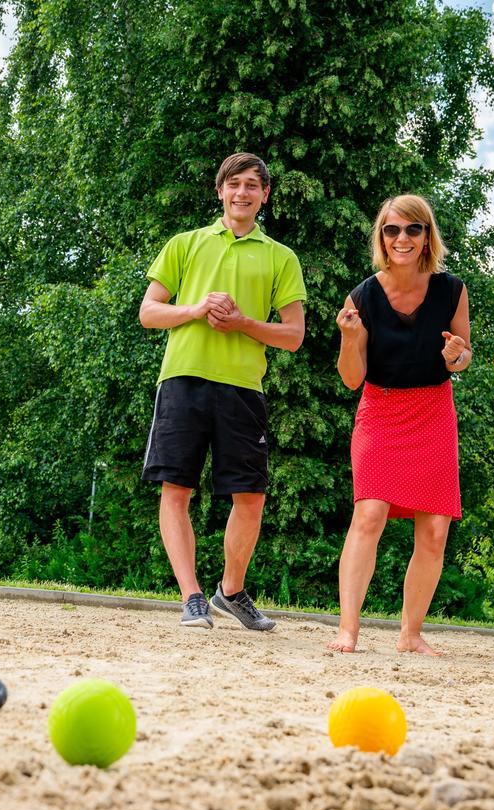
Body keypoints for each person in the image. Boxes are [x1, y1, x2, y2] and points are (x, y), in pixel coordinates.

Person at [139, 152, 307, 630]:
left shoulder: (280, 257)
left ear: (265, 196)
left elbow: (293, 335)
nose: (243, 193)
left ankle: (230, 591)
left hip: (242, 388)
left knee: (250, 497)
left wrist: (243, 323)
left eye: (253, 185)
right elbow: (149, 312)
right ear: (220, 191)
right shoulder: (185, 244)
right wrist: (195, 310)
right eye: (234, 184)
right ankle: (191, 597)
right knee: (177, 490)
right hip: (183, 378)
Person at [328, 194, 470, 655]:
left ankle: (411, 635)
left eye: (413, 229)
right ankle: (348, 631)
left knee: (433, 530)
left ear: (427, 235)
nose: (402, 238)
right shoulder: (363, 296)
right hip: (381, 411)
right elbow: (351, 378)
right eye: (392, 230)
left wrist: (456, 356)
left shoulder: (452, 290)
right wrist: (350, 338)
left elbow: (462, 356)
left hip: (432, 412)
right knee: (368, 515)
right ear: (381, 237)